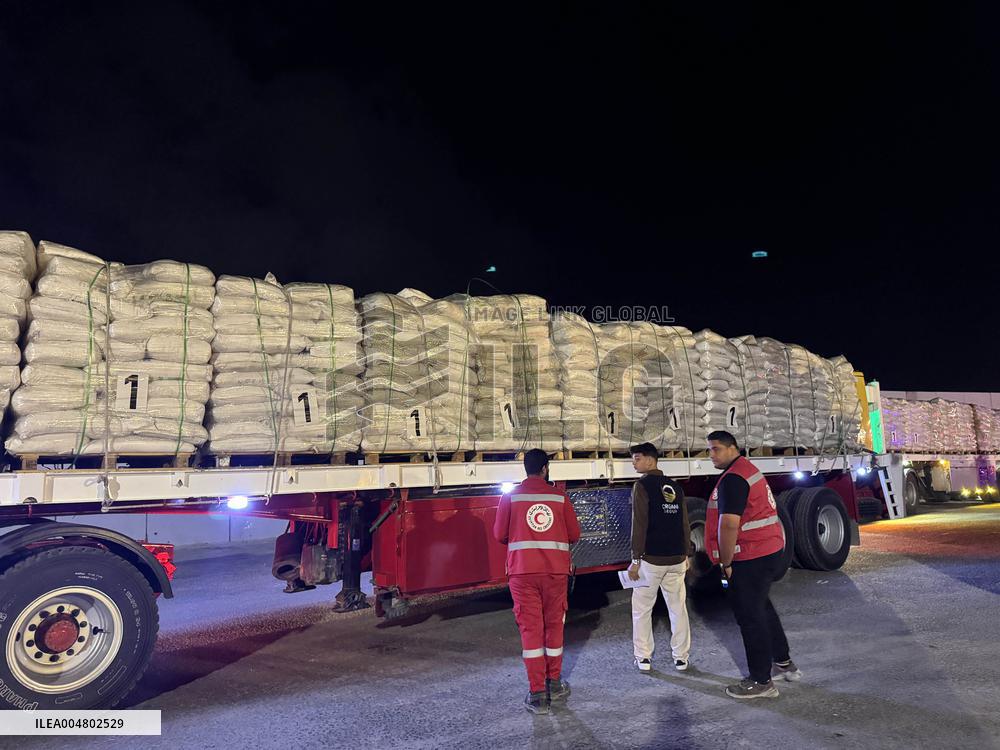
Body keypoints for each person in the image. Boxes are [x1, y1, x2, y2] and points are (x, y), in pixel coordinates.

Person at [706, 430, 803, 699]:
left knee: (750, 617)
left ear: (731, 448)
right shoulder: (747, 470)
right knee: (763, 608)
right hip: (768, 550)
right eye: (709, 450)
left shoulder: (733, 479)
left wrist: (725, 562)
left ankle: (761, 682)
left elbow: (728, 524)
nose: (711, 455)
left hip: (749, 555)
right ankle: (783, 663)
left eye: (715, 449)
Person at [493, 448, 581, 714]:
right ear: (545, 469)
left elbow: (499, 534)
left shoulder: (510, 497)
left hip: (523, 574)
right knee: (554, 627)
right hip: (555, 572)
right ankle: (554, 682)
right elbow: (574, 534)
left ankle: (537, 693)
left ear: (526, 469)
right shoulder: (559, 497)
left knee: (531, 630)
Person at [626, 442, 692, 673]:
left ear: (650, 460)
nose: (634, 463)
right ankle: (681, 658)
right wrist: (687, 553)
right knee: (678, 608)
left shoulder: (642, 486)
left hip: (651, 561)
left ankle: (643, 658)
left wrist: (635, 560)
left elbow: (639, 524)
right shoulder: (675, 486)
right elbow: (683, 522)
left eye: (637, 459)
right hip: (676, 559)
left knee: (642, 610)